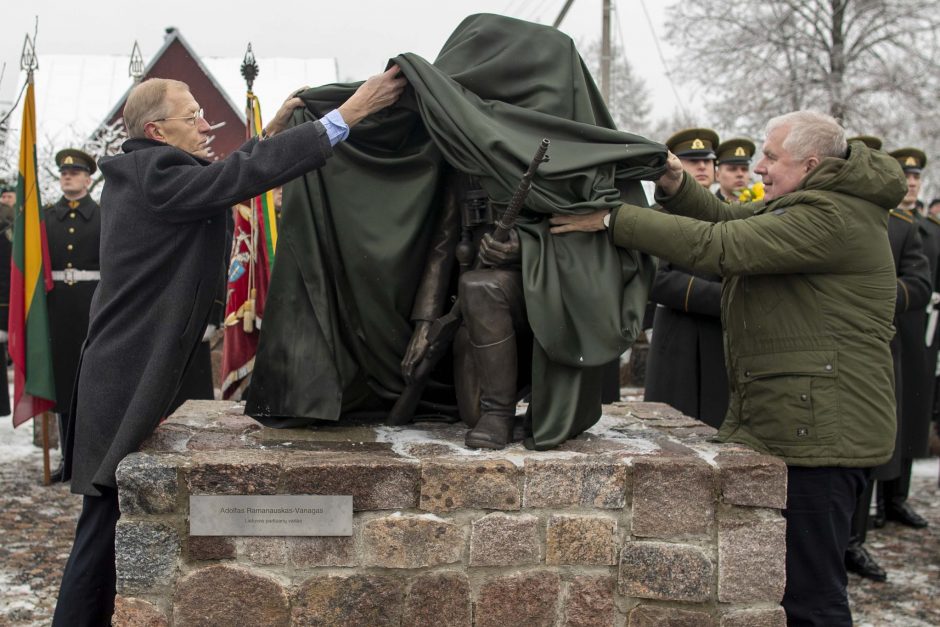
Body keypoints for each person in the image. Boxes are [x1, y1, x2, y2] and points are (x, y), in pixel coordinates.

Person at [52, 68, 405, 626]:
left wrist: (268, 138)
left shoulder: (152, 172)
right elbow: (231, 181)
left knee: (119, 518)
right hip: (126, 375)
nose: (205, 123)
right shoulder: (154, 172)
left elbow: (220, 179)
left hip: (134, 368)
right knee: (101, 527)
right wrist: (349, 116)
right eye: (192, 116)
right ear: (158, 131)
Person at [551, 110, 905, 625]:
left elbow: (720, 248)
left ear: (810, 163)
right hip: (809, 423)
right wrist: (674, 185)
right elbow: (725, 220)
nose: (759, 168)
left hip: (825, 436)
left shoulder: (831, 218)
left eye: (771, 157)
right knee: (790, 586)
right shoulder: (814, 203)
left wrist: (613, 220)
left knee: (812, 595)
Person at [644, 128, 729, 429]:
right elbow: (655, 279)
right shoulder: (658, 215)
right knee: (672, 430)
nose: (703, 168)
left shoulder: (727, 215)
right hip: (677, 337)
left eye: (707, 161)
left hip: (720, 339)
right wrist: (726, 299)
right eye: (693, 162)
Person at [873, 147, 936, 530]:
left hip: (919, 332)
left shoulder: (919, 228)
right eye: (905, 177)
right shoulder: (885, 222)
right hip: (885, 330)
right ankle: (871, 509)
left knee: (911, 417)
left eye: (916, 179)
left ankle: (897, 498)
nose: (911, 184)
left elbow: (923, 281)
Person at [43, 149, 101, 481]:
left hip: (93, 307)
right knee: (64, 387)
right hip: (58, 311)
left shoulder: (104, 215)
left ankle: (90, 460)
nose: (68, 176)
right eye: (64, 173)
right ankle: (68, 460)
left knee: (92, 386)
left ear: (88, 179)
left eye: (75, 172)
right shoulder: (47, 217)